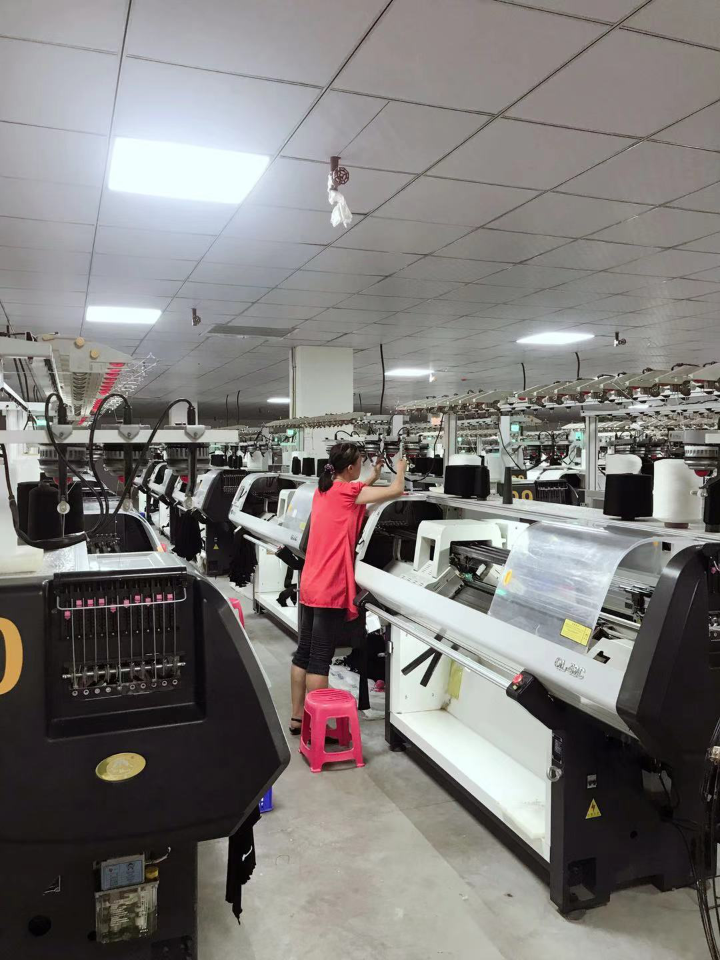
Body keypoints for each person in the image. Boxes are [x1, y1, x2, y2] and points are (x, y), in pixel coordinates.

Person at [289, 442, 407, 735]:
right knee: (320, 659)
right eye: (361, 464)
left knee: (303, 653)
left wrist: (373, 475)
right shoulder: (349, 492)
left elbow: (356, 491)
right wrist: (401, 469)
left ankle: (297, 719)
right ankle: (318, 729)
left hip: (311, 581)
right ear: (351, 467)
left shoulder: (325, 489)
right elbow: (396, 491)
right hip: (330, 584)